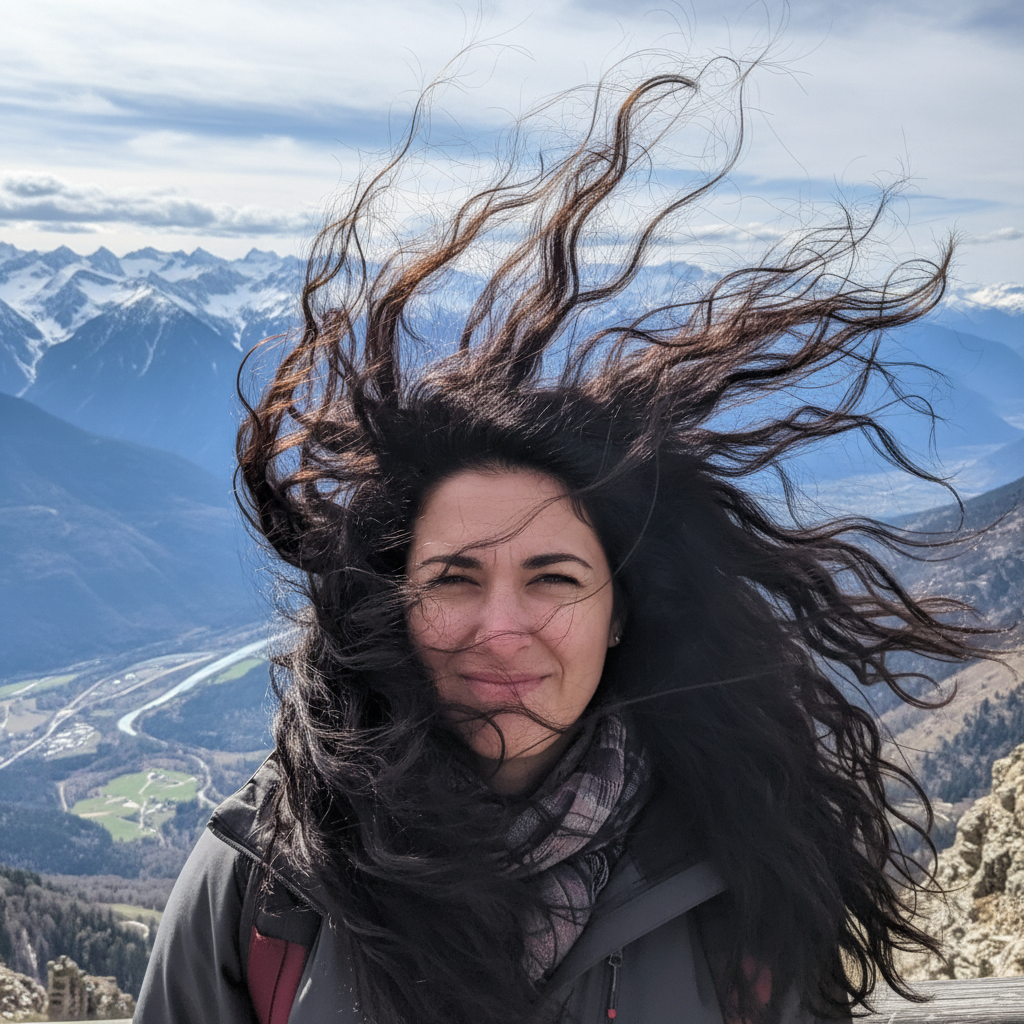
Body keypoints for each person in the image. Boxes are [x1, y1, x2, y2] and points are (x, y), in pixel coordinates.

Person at [135, 65, 992, 1024]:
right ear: (393, 602)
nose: (503, 629)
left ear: (622, 610)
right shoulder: (264, 884)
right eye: (454, 577)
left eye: (555, 577)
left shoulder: (741, 874)